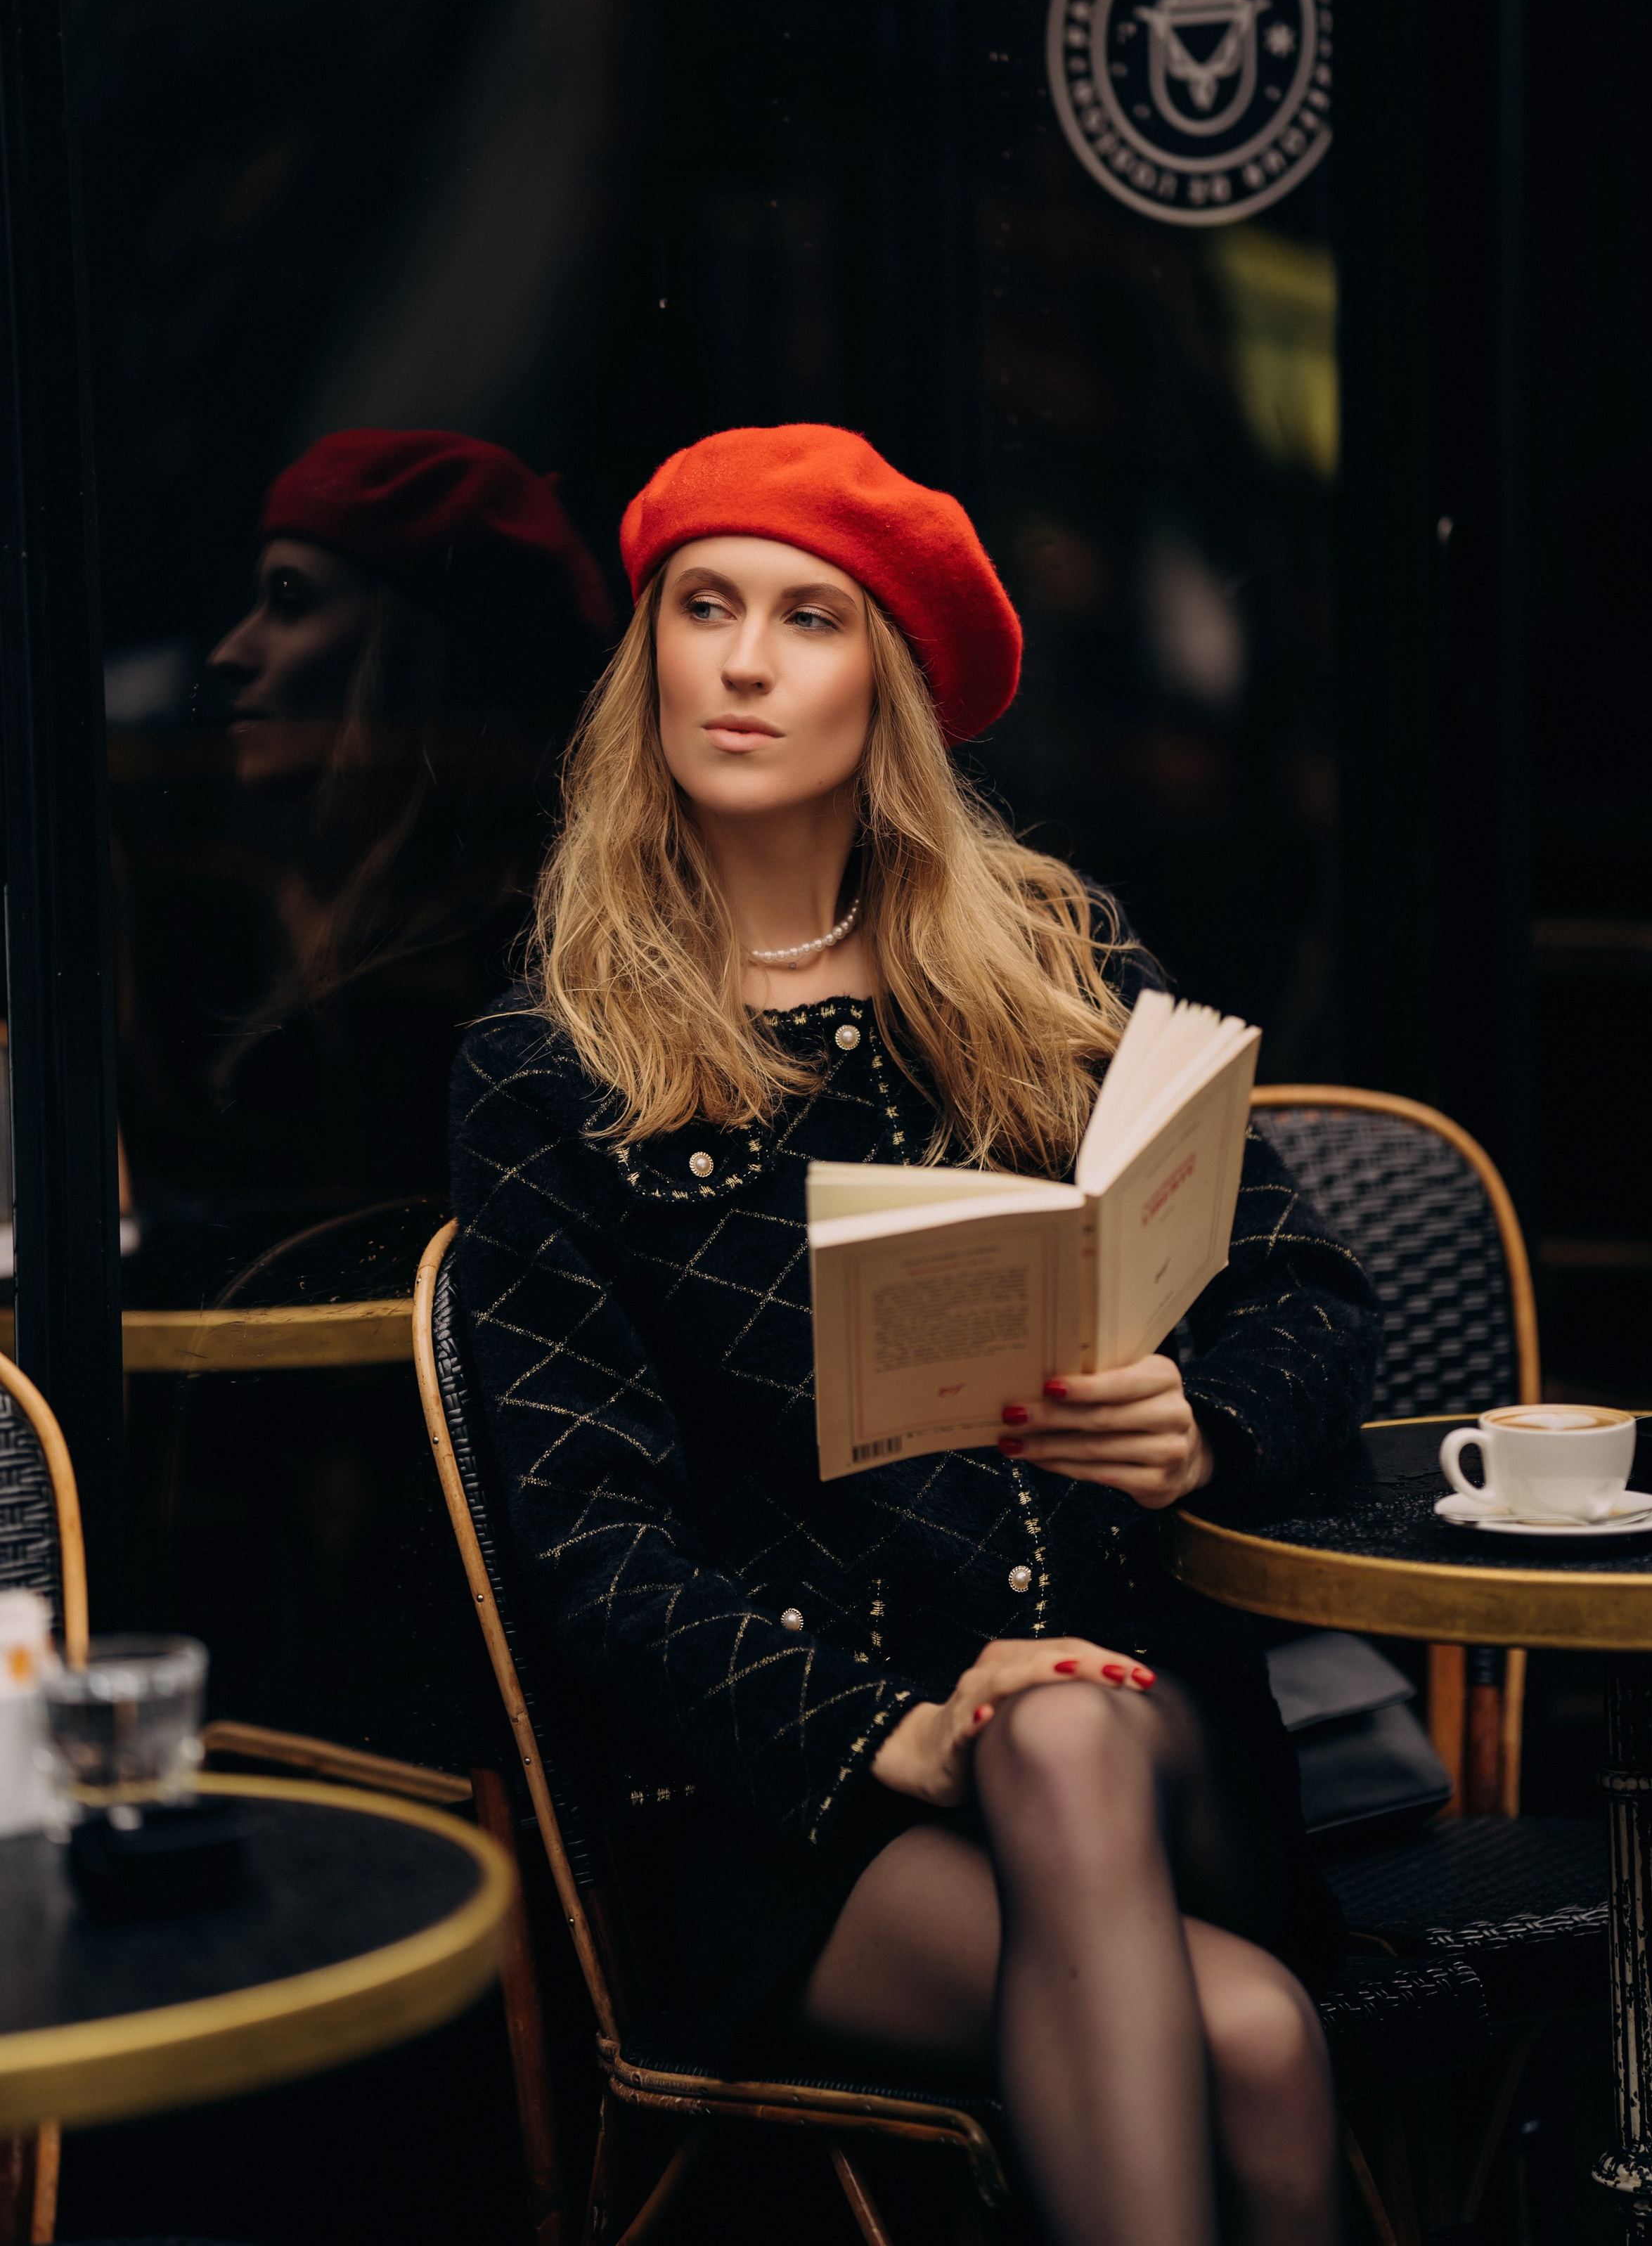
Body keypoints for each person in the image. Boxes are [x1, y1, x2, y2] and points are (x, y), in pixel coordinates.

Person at [450, 425, 1379, 2246]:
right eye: (701, 608)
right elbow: (585, 1536)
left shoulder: (1053, 961)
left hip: (1144, 1732)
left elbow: (1313, 1304)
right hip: (797, 1795)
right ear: (644, 657)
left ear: (888, 684)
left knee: (1071, 1736)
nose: (738, 660)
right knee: (1258, 2041)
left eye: (806, 618)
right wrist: (898, 1727)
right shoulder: (548, 1064)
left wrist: (1196, 1421)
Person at [115, 426, 609, 1244]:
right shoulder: (260, 918)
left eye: (292, 601)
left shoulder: (476, 992)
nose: (234, 653)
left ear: (413, 652)